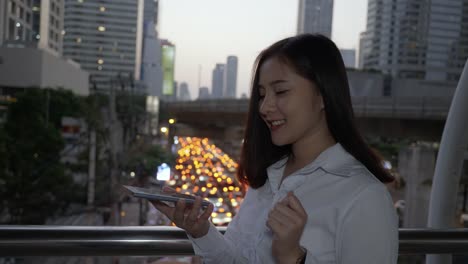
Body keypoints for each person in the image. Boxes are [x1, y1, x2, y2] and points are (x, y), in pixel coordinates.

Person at [152, 34, 399, 263]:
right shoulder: (268, 178)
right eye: (262, 94)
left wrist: (294, 258)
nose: (264, 107)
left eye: (280, 91)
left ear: (323, 95)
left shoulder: (365, 196)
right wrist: (201, 231)